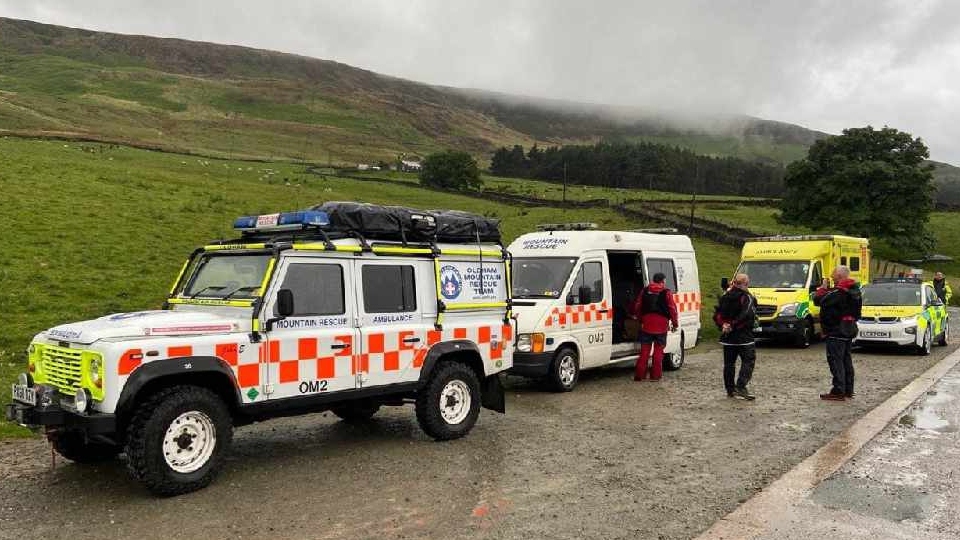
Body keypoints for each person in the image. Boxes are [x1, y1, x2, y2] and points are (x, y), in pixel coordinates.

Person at [813, 265, 863, 401]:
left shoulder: (840, 292)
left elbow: (819, 300)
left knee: (836, 360)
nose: (831, 277)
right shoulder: (855, 291)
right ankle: (848, 389)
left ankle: (838, 390)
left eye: (833, 274)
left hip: (836, 330)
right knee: (846, 359)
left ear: (840, 276)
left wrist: (823, 288)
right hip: (848, 328)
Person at [716, 273, 758, 400]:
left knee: (729, 364)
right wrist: (733, 325)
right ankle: (741, 386)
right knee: (748, 361)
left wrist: (724, 325)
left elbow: (717, 314)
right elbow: (747, 314)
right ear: (745, 283)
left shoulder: (725, 296)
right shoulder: (747, 297)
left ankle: (730, 389)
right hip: (744, 337)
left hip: (727, 336)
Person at [630, 272, 678, 381]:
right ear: (662, 281)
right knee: (658, 352)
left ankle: (639, 375)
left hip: (646, 324)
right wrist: (675, 323)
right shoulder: (666, 292)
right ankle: (656, 376)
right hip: (661, 325)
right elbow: (672, 309)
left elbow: (638, 306)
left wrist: (639, 319)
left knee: (644, 352)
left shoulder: (645, 290)